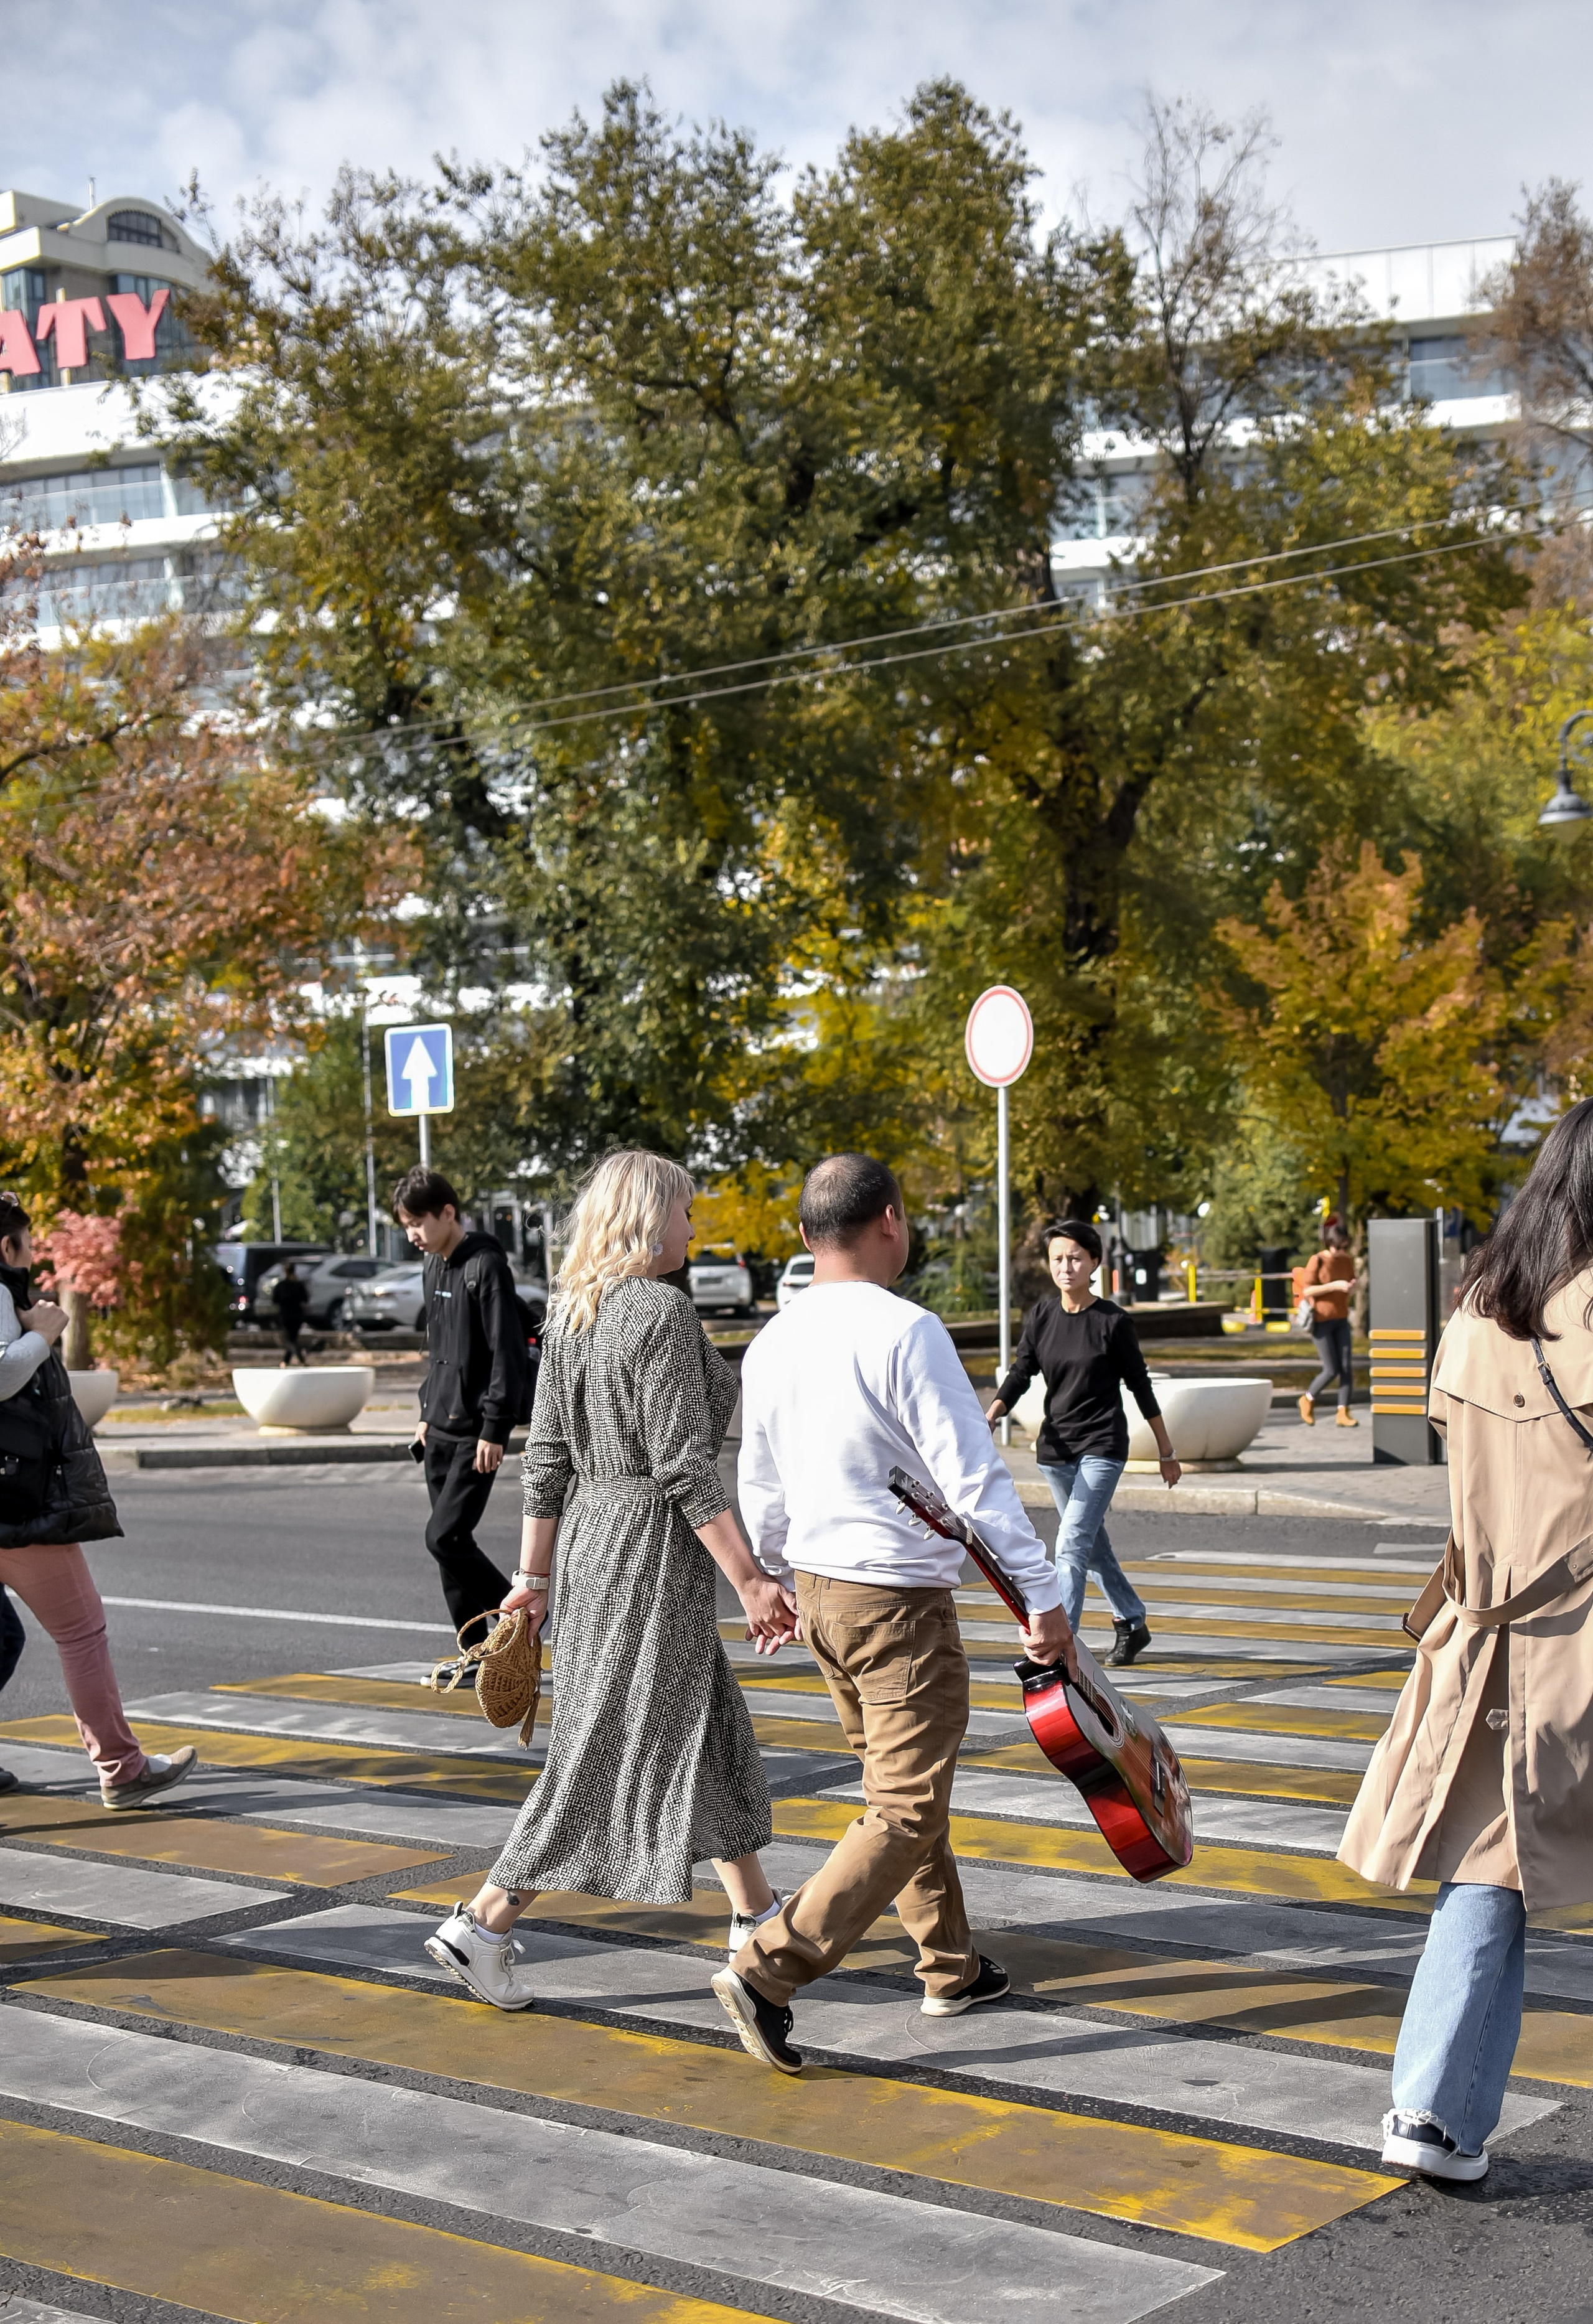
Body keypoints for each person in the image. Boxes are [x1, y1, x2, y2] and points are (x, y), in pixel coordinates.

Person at [713, 1153, 1075, 2076]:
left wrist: (778, 1574)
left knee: (897, 1792)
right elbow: (976, 1482)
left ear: (804, 1236)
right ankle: (769, 1967)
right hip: (899, 1600)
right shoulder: (907, 1331)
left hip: (823, 1593)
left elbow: (761, 1477)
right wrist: (1043, 1595)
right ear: (891, 1220)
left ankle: (949, 1965)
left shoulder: (773, 1341)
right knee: (907, 1805)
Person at [424, 1150, 796, 2008]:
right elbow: (686, 1469)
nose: (694, 1228)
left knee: (701, 1722)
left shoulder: (574, 1311)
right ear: (646, 1217)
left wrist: (532, 1574)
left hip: (595, 1541)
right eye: (684, 1212)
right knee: (608, 1741)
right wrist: (749, 1580)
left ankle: (755, 1915)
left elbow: (545, 1459)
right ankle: (484, 1921)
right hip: (648, 1552)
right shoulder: (659, 1311)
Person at [1339, 1096, 1593, 2182]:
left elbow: (1463, 1479)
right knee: (1499, 1865)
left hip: (1491, 1636)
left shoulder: (1480, 1312)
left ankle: (1432, 2107)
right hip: (1581, 1629)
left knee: (1491, 1862)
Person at [0, 1192, 197, 1809]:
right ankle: (122, 1766)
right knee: (82, 1629)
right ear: (8, 1245)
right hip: (13, 1502)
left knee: (2, 1638)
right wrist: (43, 1337)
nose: (34, 1258)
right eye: (29, 1246)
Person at [984, 1218, 1180, 1669]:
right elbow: (1021, 1372)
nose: (1066, 1266)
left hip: (1103, 1446)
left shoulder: (1113, 1322)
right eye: (1057, 1258)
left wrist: (1167, 1452)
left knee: (1071, 1545)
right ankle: (1132, 1620)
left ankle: (1060, 1648)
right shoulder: (1042, 1316)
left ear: (1094, 1261)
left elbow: (1140, 1387)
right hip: (1056, 1453)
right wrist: (992, 1414)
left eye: (1075, 1257)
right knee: (1093, 1547)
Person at [397, 1166, 532, 1637]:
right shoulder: (433, 1265)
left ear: (448, 1212)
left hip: (476, 1434)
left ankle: (519, 1618)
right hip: (439, 1427)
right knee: (447, 1545)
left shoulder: (486, 1266)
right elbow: (438, 1350)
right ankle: (473, 1646)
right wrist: (425, 1412)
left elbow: (507, 1351)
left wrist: (496, 1427)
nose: (413, 1234)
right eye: (407, 1225)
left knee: (444, 1536)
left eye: (418, 1222)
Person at [1298, 1221, 1357, 1427]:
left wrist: (1351, 1288)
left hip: (1341, 1319)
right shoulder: (1318, 1260)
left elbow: (1351, 1285)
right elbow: (1307, 1291)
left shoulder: (1347, 1261)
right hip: (1322, 1322)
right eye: (1338, 1247)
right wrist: (1333, 1286)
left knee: (1347, 1367)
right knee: (1331, 1369)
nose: (1342, 1251)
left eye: (1345, 1247)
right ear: (1329, 1243)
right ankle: (1307, 1399)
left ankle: (1343, 1412)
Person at [274, 1260, 310, 1367]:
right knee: (292, 1338)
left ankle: (299, 1360)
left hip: (286, 1315)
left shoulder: (281, 1286)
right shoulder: (299, 1285)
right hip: (297, 1315)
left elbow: (275, 1300)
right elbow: (306, 1299)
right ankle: (287, 1361)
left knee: (290, 1339)